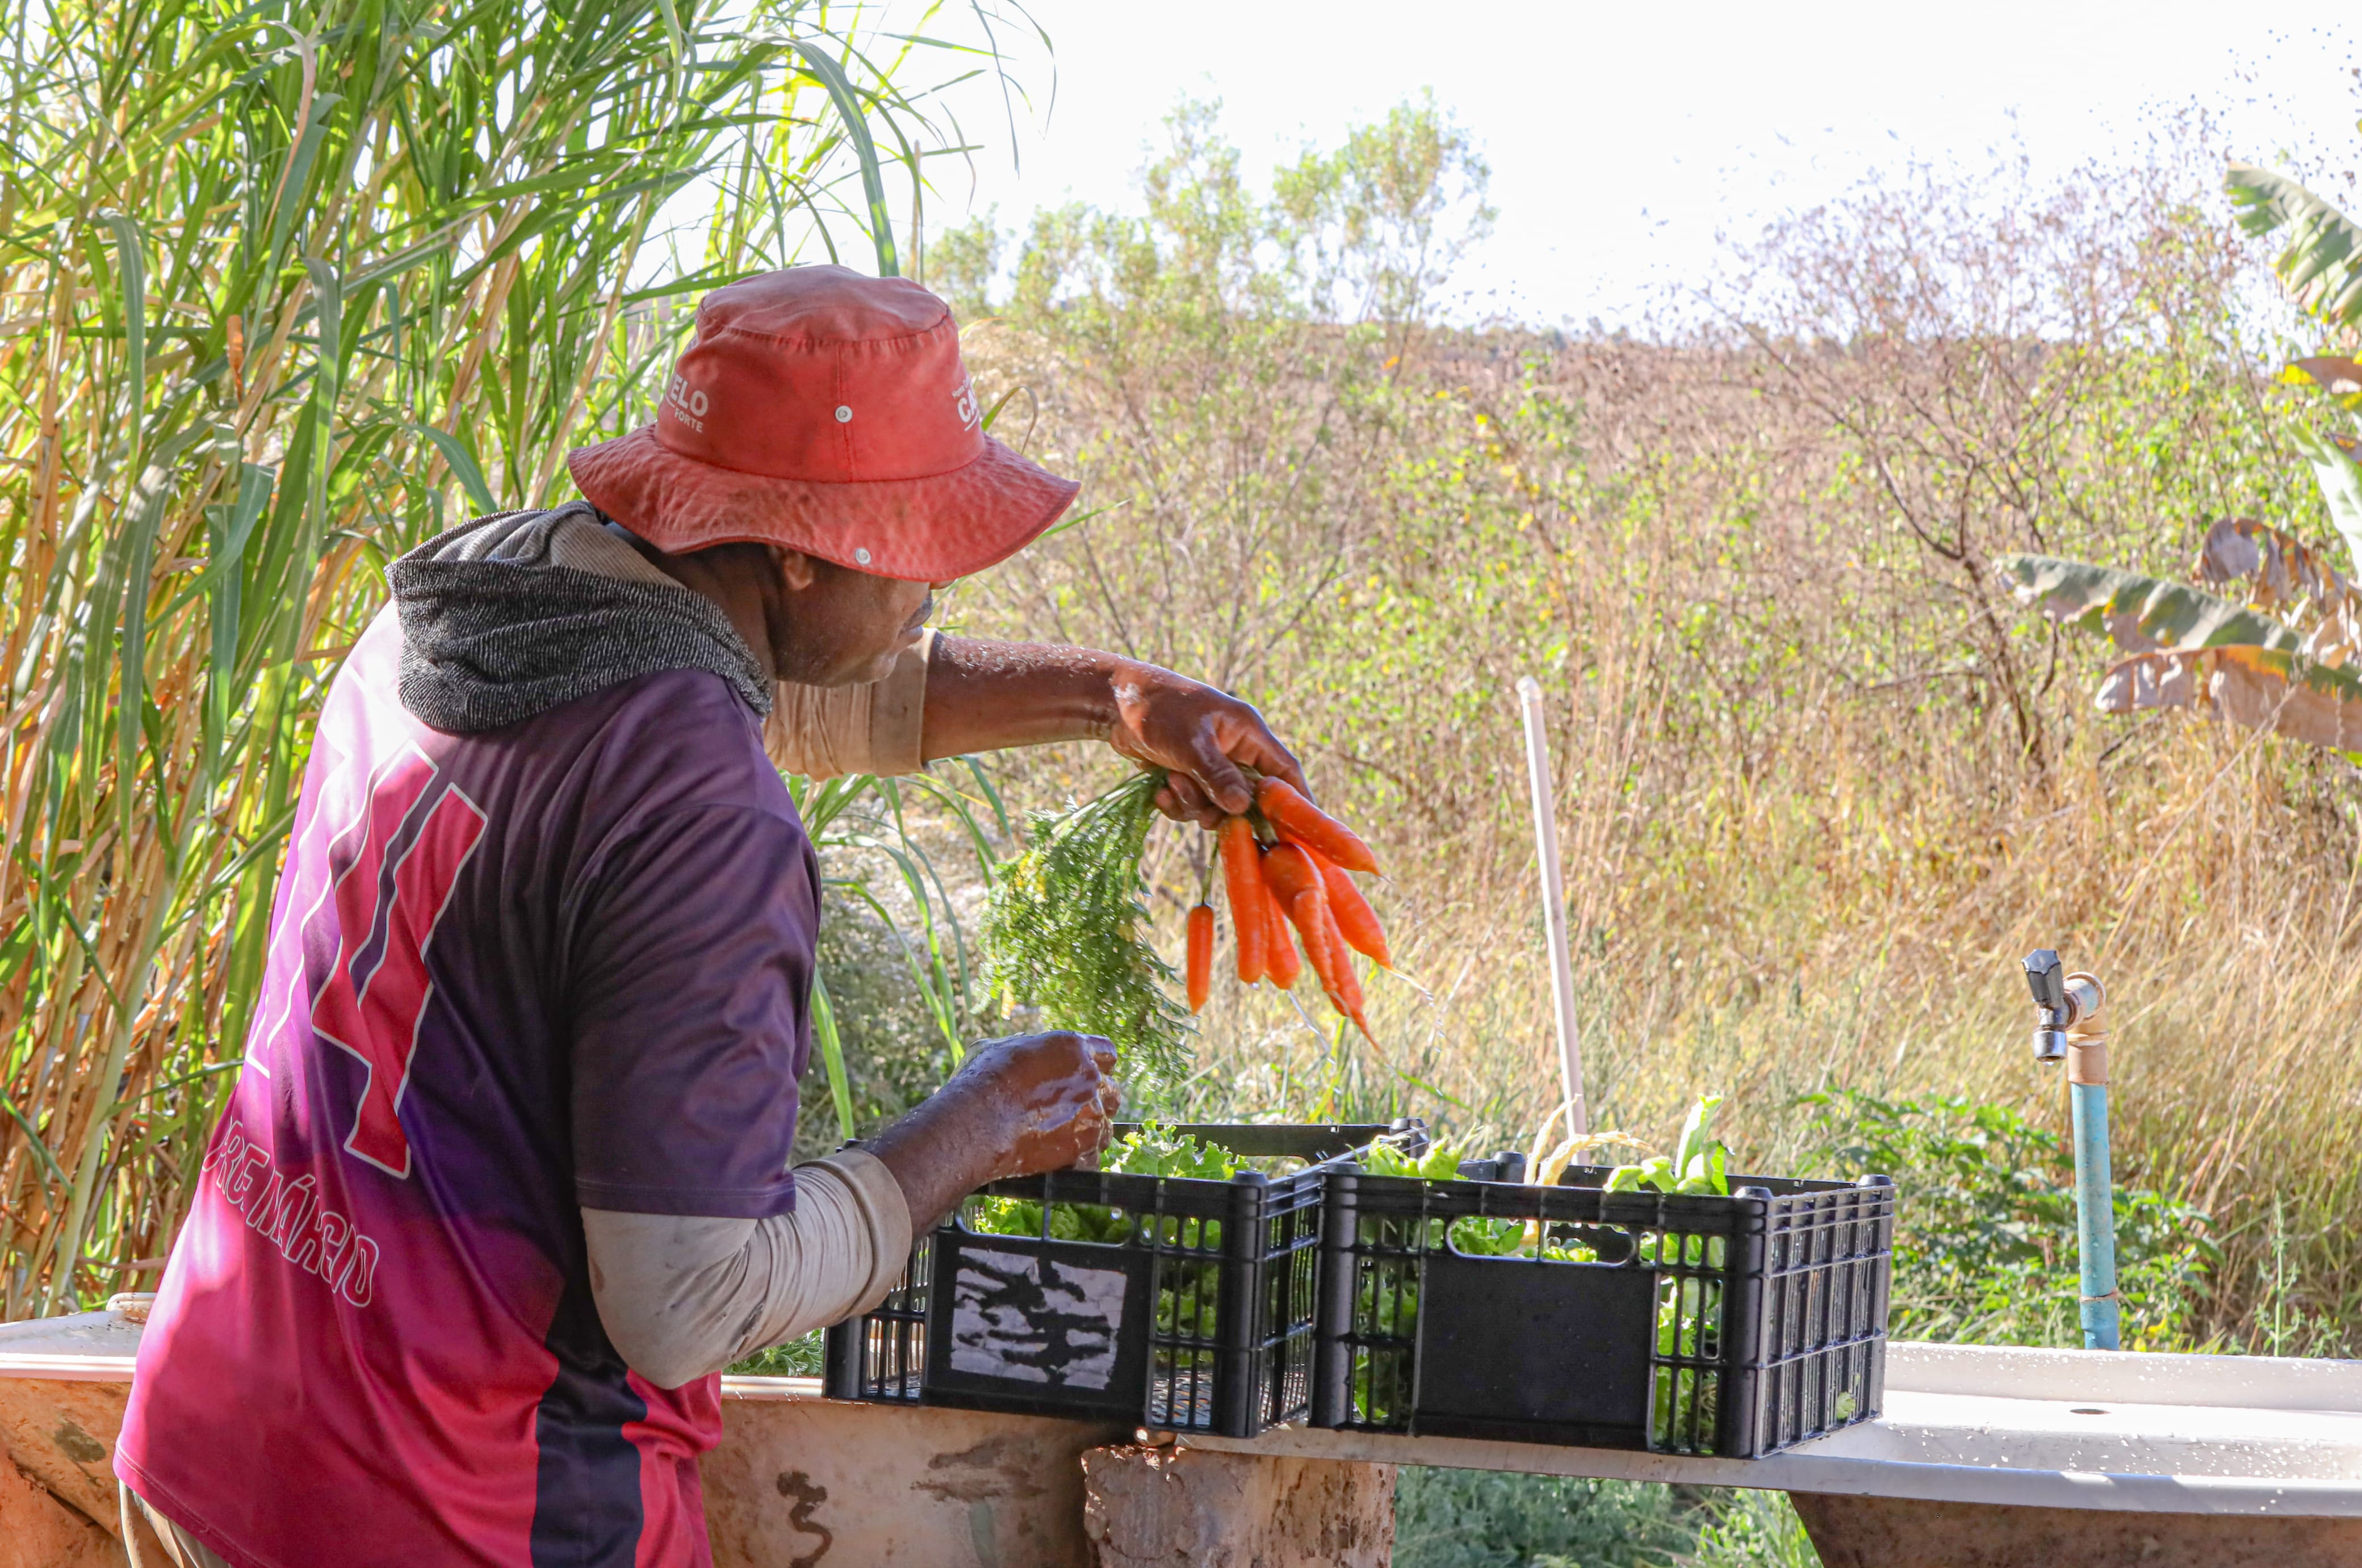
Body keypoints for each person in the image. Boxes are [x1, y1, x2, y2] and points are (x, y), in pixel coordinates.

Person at [111, 265, 1309, 1567]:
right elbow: (684, 1302)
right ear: (793, 546)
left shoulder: (467, 607)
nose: (931, 596)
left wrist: (1110, 698)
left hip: (217, 1425)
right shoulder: (705, 815)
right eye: (914, 551)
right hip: (451, 1505)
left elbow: (767, 685)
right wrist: (974, 1128)